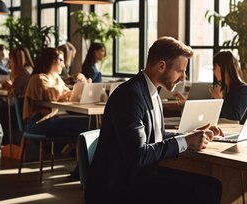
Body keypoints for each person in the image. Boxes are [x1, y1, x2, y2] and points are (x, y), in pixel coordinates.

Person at [85, 36, 223, 204]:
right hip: (119, 187)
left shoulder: (152, 92)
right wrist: (186, 141)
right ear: (161, 66)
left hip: (139, 177)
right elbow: (139, 155)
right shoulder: (130, 95)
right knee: (204, 193)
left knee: (212, 185)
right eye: (180, 71)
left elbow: (157, 135)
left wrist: (192, 135)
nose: (183, 78)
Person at [0, 47, 34, 144]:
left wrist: (11, 86)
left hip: (24, 107)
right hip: (24, 105)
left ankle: (8, 141)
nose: (10, 61)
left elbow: (13, 92)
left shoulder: (25, 72)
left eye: (11, 59)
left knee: (1, 108)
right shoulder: (29, 70)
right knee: (1, 107)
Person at [210, 51, 247, 124]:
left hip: (238, 132)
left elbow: (236, 117)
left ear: (224, 68)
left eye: (215, 66)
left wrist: (220, 99)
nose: (213, 70)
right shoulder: (224, 89)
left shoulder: (244, 90)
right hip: (222, 130)